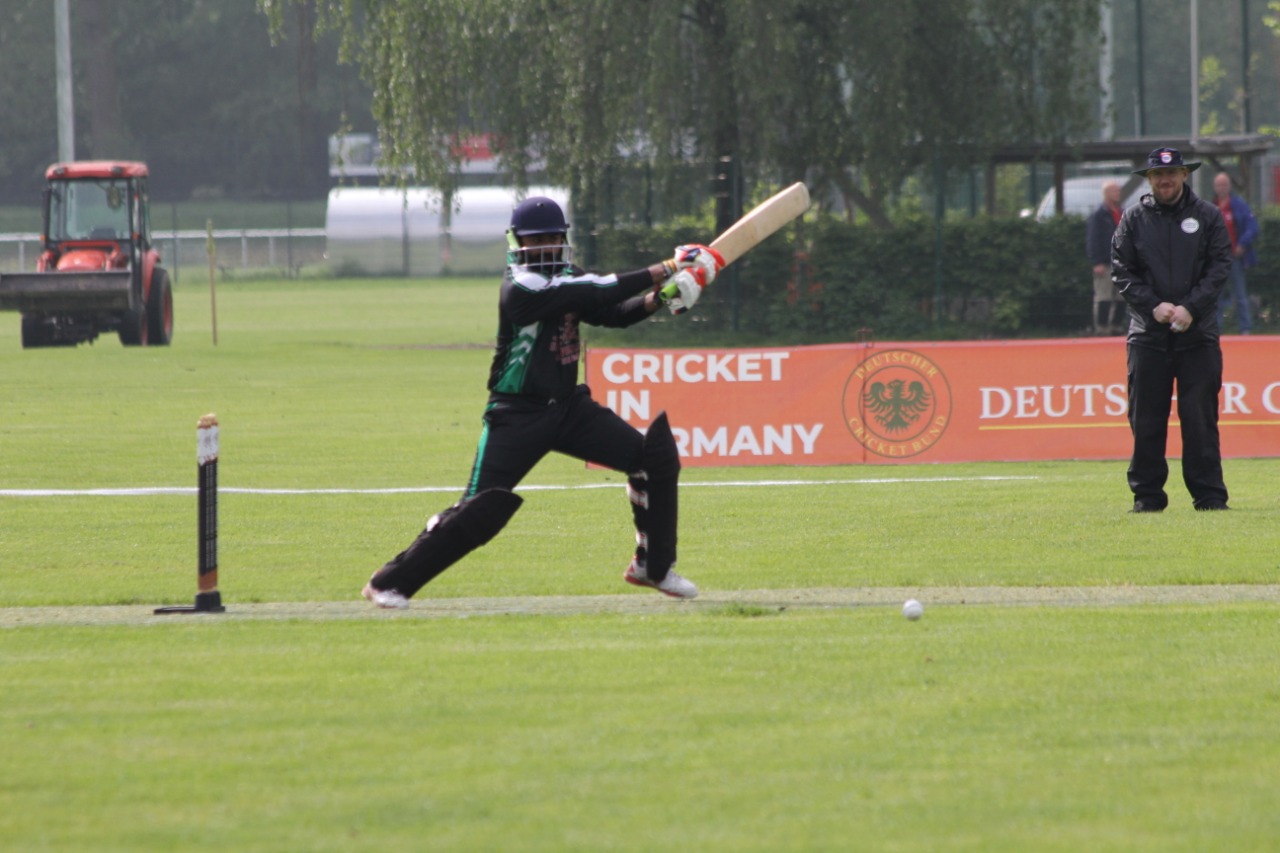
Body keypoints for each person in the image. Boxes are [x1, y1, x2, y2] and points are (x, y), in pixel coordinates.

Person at [361, 196, 724, 607]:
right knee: (480, 508)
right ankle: (390, 581)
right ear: (518, 242)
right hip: (516, 414)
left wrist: (663, 296)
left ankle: (652, 566)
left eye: (553, 237)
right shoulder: (521, 286)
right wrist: (672, 265)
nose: (547, 246)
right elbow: (599, 288)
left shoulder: (568, 275)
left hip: (569, 408)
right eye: (537, 240)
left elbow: (612, 311)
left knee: (652, 459)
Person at [1112, 147, 1232, 513]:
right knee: (1146, 419)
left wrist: (1190, 309)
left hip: (1198, 335)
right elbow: (1122, 270)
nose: (1165, 180)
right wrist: (1154, 307)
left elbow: (1219, 267)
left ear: (1184, 176)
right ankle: (1147, 497)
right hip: (1148, 336)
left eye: (1172, 173)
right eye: (1158, 175)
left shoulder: (1208, 216)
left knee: (1199, 419)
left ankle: (1209, 496)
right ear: (1149, 179)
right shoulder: (1133, 220)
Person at [1212, 171, 1259, 335]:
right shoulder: (1212, 206)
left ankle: (1245, 328)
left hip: (1234, 257)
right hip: (1216, 259)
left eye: (1224, 184)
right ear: (1214, 187)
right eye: (1219, 185)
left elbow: (1252, 226)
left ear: (1229, 186)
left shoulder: (1239, 205)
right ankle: (1216, 329)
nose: (1221, 188)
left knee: (1240, 294)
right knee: (1215, 295)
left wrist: (1242, 244)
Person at [1086, 180, 1126, 334]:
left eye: (1118, 190)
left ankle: (1116, 326)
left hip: (1122, 262)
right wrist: (1096, 261)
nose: (1118, 193)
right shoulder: (1098, 215)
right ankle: (1102, 327)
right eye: (1114, 191)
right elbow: (1093, 239)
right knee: (1104, 295)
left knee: (1122, 296)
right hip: (1105, 261)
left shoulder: (1122, 213)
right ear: (1106, 194)